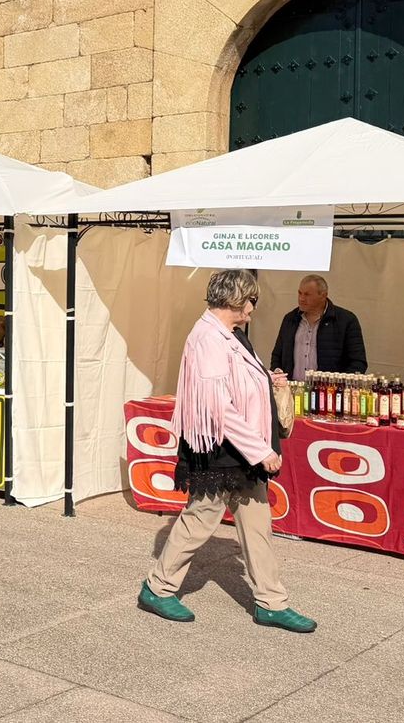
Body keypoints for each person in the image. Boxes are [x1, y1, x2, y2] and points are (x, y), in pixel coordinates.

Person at [138, 269, 316, 634]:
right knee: (200, 519)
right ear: (236, 299)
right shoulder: (207, 339)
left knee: (257, 525)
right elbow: (219, 406)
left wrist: (266, 379)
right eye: (252, 300)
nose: (253, 308)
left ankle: (272, 602)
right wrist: (259, 450)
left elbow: (233, 384)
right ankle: (157, 588)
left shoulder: (230, 335)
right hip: (220, 449)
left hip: (238, 448)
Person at [269, 274, 367, 380]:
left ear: (323, 296)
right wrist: (277, 375)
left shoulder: (346, 321)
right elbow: (277, 355)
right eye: (300, 293)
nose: (301, 298)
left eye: (307, 295)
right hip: (293, 389)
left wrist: (340, 386)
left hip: (329, 392)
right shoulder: (290, 319)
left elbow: (358, 362)